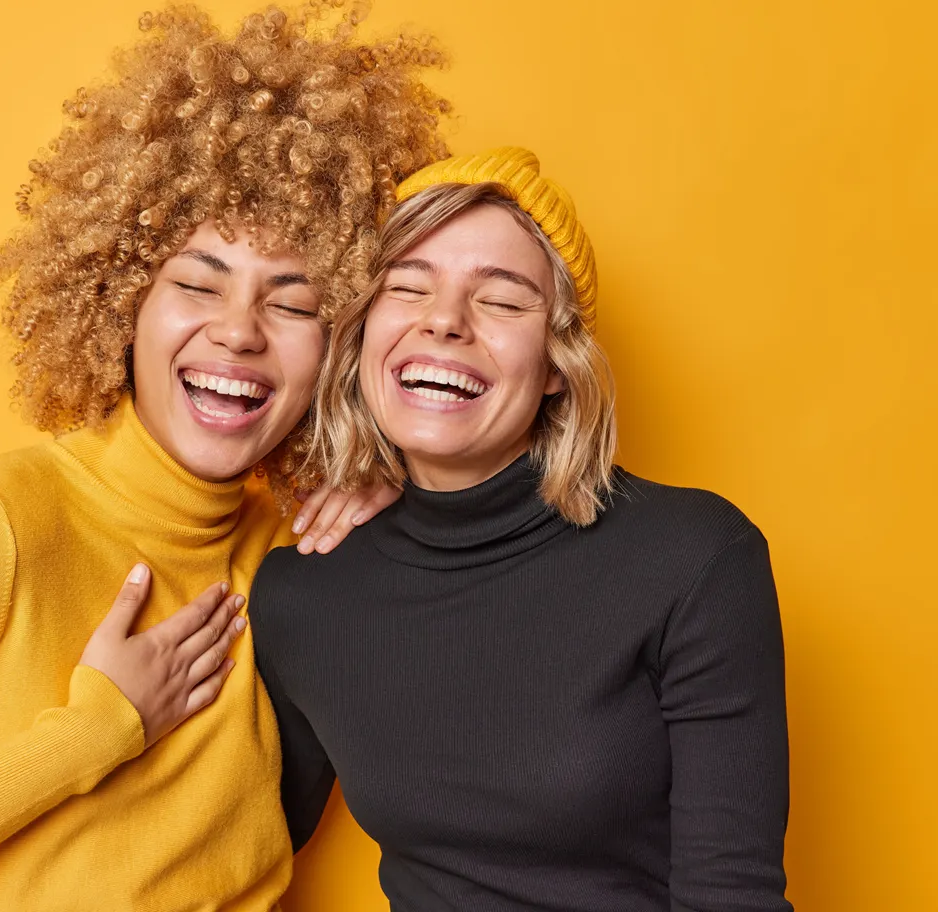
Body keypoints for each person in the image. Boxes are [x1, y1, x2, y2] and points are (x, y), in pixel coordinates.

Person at [0, 7, 449, 911]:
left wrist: (404, 508)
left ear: (341, 344)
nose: (238, 331)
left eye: (294, 304)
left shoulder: (301, 556)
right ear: (120, 301)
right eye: (197, 284)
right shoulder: (7, 524)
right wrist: (98, 729)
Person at [251, 148, 792, 911]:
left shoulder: (693, 559)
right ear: (363, 334)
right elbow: (230, 851)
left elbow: (730, 897)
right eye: (407, 287)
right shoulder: (303, 592)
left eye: (502, 301)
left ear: (556, 364)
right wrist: (103, 720)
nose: (444, 320)